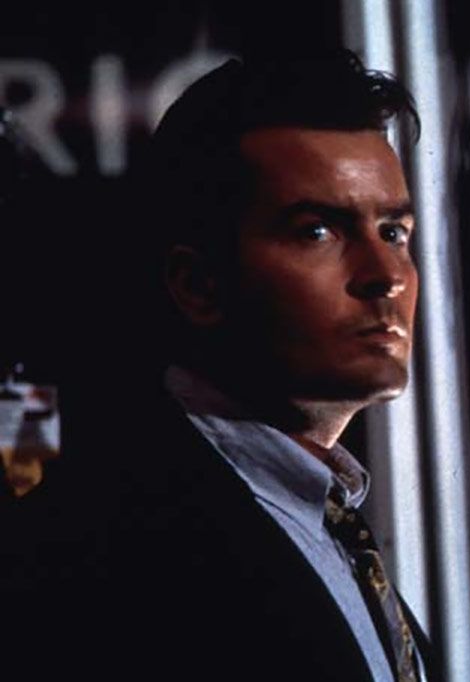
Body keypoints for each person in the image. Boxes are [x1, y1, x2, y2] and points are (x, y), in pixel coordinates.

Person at [10, 50, 439, 682]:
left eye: (394, 233)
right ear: (198, 285)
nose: (385, 276)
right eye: (318, 232)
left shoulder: (328, 522)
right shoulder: (104, 546)